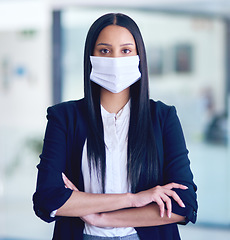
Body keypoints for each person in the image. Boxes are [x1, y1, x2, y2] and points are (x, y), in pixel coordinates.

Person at [33, 13, 198, 240]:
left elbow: (183, 205)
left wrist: (101, 217)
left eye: (126, 50)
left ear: (139, 55)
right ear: (91, 56)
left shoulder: (163, 117)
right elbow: (48, 200)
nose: (115, 59)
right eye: (104, 50)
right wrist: (133, 199)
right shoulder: (64, 118)